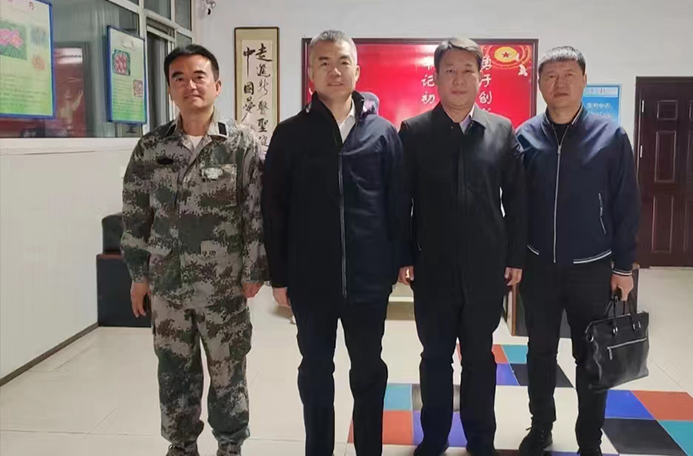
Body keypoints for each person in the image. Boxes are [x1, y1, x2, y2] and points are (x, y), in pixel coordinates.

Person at [121, 44, 267, 456]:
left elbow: (255, 211)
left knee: (228, 373)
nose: (190, 85)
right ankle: (182, 445)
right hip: (168, 287)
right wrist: (138, 275)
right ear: (170, 89)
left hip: (224, 287)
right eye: (179, 78)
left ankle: (230, 445)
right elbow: (135, 215)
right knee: (174, 374)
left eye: (199, 76)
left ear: (217, 85)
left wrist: (253, 270)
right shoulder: (151, 148)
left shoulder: (239, 144)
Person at [263, 30, 403, 456]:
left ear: (357, 70)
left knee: (368, 371)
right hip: (311, 283)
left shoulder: (382, 133)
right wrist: (279, 277)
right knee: (316, 373)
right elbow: (275, 210)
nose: (334, 70)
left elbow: (398, 204)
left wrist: (397, 264)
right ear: (311, 73)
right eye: (323, 62)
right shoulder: (290, 134)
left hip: (368, 283)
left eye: (343, 61)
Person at [398, 37, 527, 456]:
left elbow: (517, 200)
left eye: (467, 70)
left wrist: (515, 256)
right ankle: (434, 437)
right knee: (435, 357)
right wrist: (403, 255)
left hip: (485, 268)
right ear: (436, 78)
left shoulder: (501, 130)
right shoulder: (414, 132)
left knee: (479, 357)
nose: (458, 79)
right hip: (431, 268)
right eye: (449, 71)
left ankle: (480, 438)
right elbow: (401, 201)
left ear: (480, 78)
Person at [515, 46, 640, 456]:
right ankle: (541, 427)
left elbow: (626, 205)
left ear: (585, 80)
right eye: (551, 76)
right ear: (539, 84)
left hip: (592, 268)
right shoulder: (524, 136)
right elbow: (515, 206)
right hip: (538, 267)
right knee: (539, 353)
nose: (560, 83)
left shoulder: (611, 137)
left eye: (569, 75)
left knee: (591, 357)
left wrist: (623, 266)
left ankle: (590, 439)